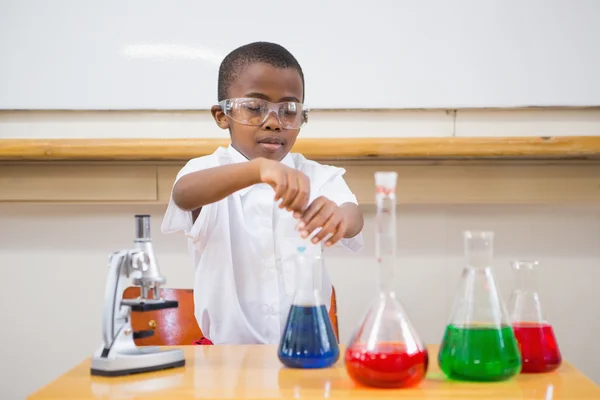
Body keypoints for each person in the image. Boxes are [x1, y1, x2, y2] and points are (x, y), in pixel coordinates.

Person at [161, 41, 364, 345]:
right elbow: (184, 195)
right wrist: (257, 170)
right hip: (225, 363)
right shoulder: (205, 171)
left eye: (289, 111)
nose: (273, 123)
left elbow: (353, 215)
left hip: (306, 354)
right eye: (255, 109)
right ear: (221, 115)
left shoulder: (318, 176)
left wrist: (339, 219)